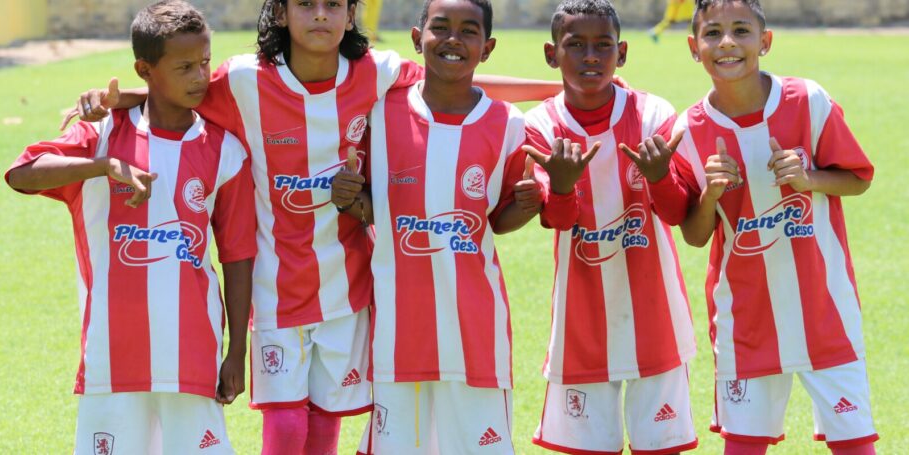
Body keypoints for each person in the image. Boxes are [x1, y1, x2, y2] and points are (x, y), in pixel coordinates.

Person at [69, 1, 562, 452]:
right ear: (281, 13)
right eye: (306, 4)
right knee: (285, 423)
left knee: (326, 420)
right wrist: (120, 98)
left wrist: (564, 91)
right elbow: (180, 87)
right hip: (274, 285)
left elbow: (458, 79)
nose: (321, 15)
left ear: (351, 14)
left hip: (346, 285)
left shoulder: (376, 72)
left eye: (333, 5)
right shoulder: (243, 79)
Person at [5, 1, 256, 453]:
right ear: (145, 69)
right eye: (184, 67)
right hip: (112, 356)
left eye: (204, 62)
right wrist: (104, 166)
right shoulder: (102, 134)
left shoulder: (225, 151)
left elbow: (238, 256)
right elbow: (21, 173)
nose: (200, 76)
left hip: (190, 353)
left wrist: (236, 350)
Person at [347, 0, 583, 452]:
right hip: (397, 328)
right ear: (417, 38)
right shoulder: (380, 112)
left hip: (476, 328)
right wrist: (350, 199)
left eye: (469, 31)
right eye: (440, 27)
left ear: (487, 48)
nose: (453, 39)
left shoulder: (507, 124)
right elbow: (372, 205)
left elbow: (499, 219)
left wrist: (527, 204)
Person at [648, 1, 878, 454]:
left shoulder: (808, 100)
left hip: (826, 310)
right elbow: (695, 235)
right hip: (745, 319)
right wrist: (711, 195)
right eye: (712, 33)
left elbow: (859, 178)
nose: (727, 43)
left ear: (765, 41)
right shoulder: (689, 129)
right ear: (694, 47)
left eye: (741, 31)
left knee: (854, 443)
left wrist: (809, 179)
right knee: (744, 444)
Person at [520, 1, 698, 454]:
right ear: (551, 54)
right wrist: (563, 186)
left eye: (603, 45)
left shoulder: (653, 113)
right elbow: (557, 220)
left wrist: (659, 178)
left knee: (662, 445)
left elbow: (678, 213)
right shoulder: (539, 125)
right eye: (575, 45)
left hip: (656, 315)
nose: (590, 57)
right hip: (579, 323)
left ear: (622, 53)